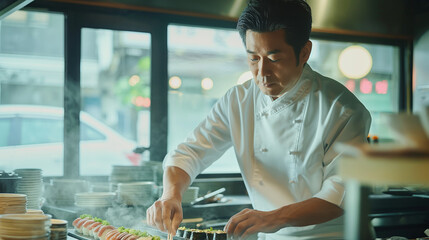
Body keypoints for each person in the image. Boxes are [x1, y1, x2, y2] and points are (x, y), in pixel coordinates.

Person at [146, 0, 371, 239]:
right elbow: (188, 153)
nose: (262, 73)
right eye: (253, 58)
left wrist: (272, 217)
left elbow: (339, 194)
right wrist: (170, 195)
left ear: (304, 52)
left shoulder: (343, 110)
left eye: (274, 59)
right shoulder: (238, 100)